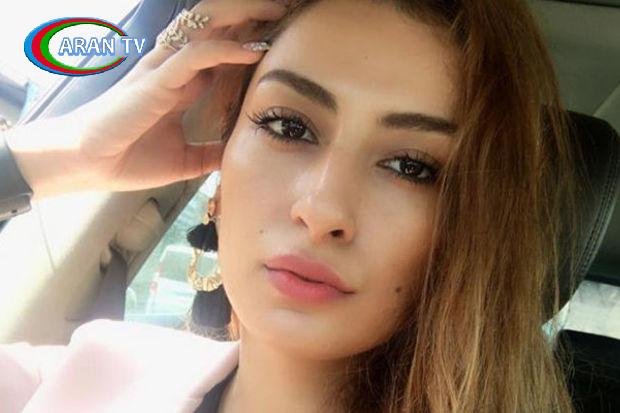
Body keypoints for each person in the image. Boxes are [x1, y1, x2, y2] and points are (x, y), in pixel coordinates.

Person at [0, 0, 583, 412]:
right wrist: (62, 155)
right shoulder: (83, 376)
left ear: (471, 225)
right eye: (288, 126)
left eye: (412, 167)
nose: (322, 209)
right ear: (222, 165)